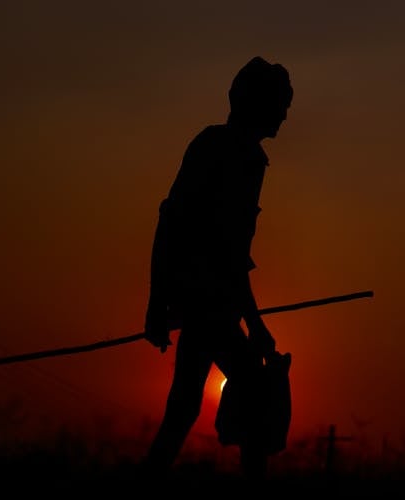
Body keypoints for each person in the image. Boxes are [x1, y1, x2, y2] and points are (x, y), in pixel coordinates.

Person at [141, 56, 293, 482]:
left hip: (206, 303)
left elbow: (223, 248)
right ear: (258, 104)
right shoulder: (234, 155)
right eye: (280, 103)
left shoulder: (228, 150)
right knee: (256, 394)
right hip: (207, 303)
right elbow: (211, 243)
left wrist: (162, 301)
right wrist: (254, 324)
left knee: (185, 406)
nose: (284, 114)